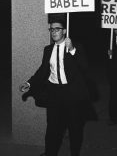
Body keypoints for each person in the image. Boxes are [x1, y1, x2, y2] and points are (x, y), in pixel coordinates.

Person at [20, 18, 90, 156]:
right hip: (54, 93)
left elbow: (85, 68)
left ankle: (74, 153)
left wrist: (72, 50)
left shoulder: (76, 47)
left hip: (71, 94)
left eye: (57, 29)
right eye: (51, 29)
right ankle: (50, 153)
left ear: (64, 31)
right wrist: (29, 83)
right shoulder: (48, 50)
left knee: (74, 128)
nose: (54, 32)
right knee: (52, 128)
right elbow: (42, 71)